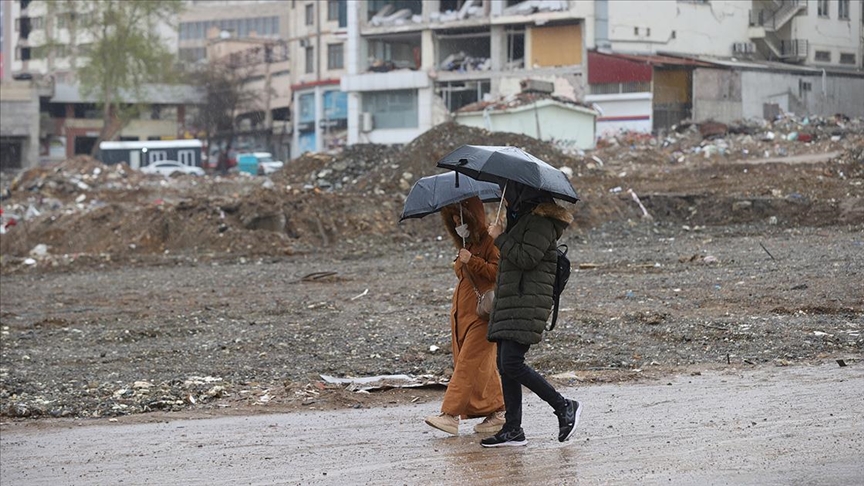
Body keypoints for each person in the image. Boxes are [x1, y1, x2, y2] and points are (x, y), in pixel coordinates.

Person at [480, 182, 582, 448]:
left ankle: (564, 406)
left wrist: (500, 237)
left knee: (512, 363)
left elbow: (526, 258)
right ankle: (513, 430)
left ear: (525, 194)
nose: (509, 198)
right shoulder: (522, 219)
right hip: (513, 301)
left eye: (512, 192)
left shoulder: (541, 222)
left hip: (527, 302)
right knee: (505, 365)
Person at [425, 196, 506, 436]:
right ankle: (498, 412)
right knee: (481, 365)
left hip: (482, 314)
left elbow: (497, 272)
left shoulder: (492, 242)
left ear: (474, 217)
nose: (458, 223)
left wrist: (473, 261)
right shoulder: (466, 244)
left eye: (461, 218)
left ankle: (449, 415)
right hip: (463, 315)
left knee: (468, 364)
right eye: (453, 220)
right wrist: (464, 259)